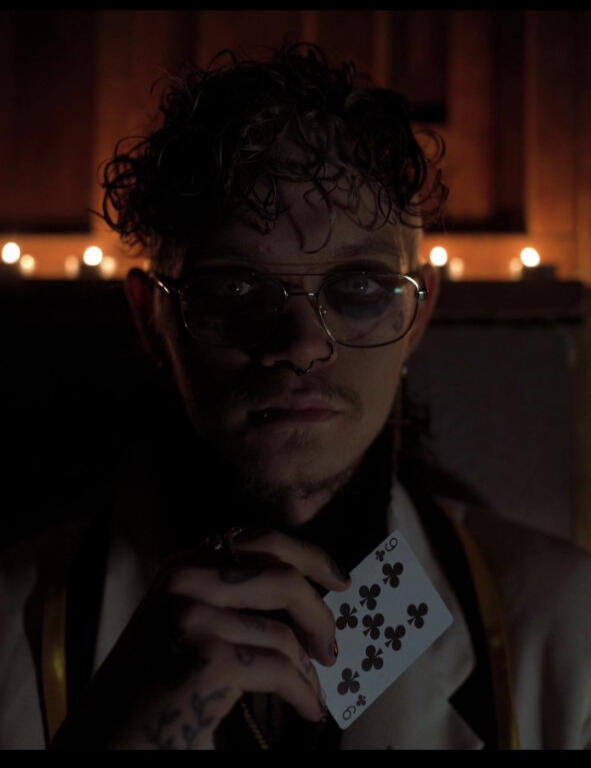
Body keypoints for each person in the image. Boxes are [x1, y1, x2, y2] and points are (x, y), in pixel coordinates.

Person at [2, 42, 591, 750]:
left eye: (360, 288)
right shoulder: (11, 624)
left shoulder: (567, 628)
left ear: (417, 316)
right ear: (152, 319)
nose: (303, 344)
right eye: (235, 289)